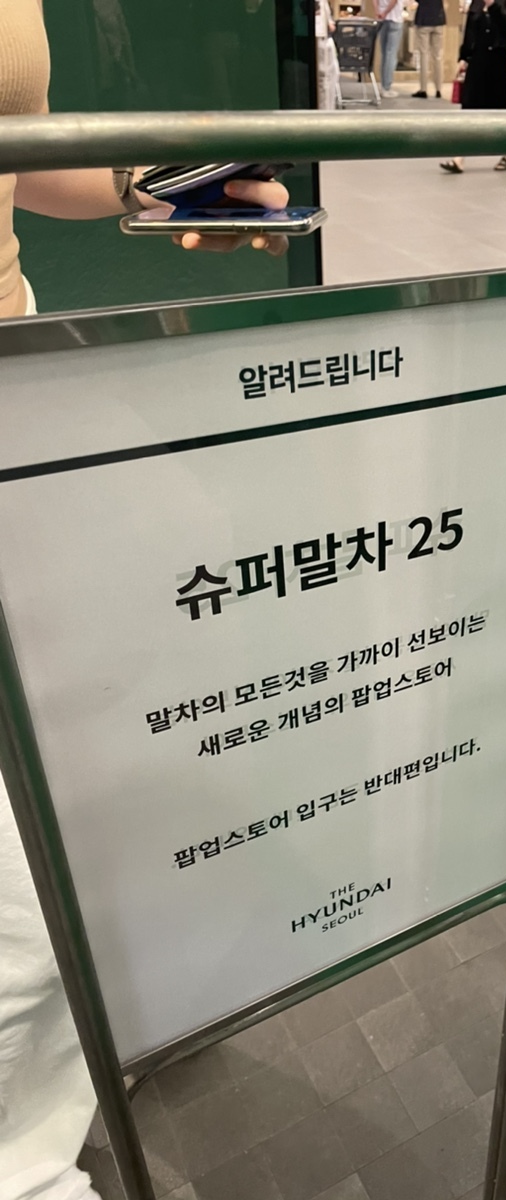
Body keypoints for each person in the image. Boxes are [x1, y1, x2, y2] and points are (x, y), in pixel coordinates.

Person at [0, 4, 287, 1200]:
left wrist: (154, 188)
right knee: (16, 900)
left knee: (87, 734)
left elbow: (11, 146)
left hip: (13, 372)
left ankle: (86, 1020)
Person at [439, 0, 506, 174]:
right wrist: (463, 56)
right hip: (477, 59)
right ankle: (459, 157)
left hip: (497, 61)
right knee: (468, 106)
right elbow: (470, 28)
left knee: (499, 109)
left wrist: (493, 5)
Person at [412, 0, 447, 98]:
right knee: (437, 56)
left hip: (424, 19)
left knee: (424, 55)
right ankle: (438, 89)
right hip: (438, 18)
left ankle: (423, 89)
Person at [375, 0, 405, 98]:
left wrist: (378, 11)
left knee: (384, 54)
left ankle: (383, 85)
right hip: (394, 18)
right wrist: (385, 12)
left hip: (382, 20)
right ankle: (386, 87)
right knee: (391, 54)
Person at [315, 0, 341, 110]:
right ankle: (325, 110)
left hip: (324, 38)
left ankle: (328, 109)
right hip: (320, 39)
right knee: (324, 78)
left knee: (331, 75)